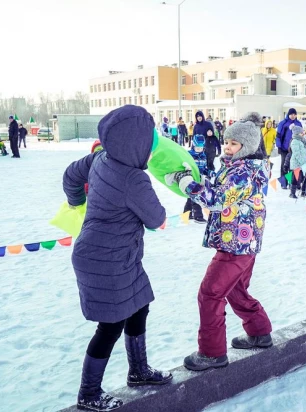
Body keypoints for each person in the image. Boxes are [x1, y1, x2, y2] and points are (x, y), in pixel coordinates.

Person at [63, 106, 172, 411]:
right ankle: (89, 393)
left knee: (139, 304)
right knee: (110, 326)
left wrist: (77, 202)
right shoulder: (133, 179)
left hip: (114, 255)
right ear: (135, 144)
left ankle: (138, 372)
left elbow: (71, 174)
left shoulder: (100, 158)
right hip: (105, 260)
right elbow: (157, 219)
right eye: (149, 142)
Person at [165, 112, 272, 371]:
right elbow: (217, 188)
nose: (227, 146)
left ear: (246, 147)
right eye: (227, 142)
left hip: (235, 244)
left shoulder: (244, 171)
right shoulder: (234, 167)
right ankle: (259, 332)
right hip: (241, 242)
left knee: (210, 294)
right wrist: (195, 177)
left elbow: (217, 200)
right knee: (235, 290)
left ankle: (212, 353)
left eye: (234, 144)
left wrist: (187, 185)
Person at [184, 134, 209, 223]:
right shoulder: (189, 155)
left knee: (190, 198)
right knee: (196, 196)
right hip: (191, 179)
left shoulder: (203, 156)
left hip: (199, 179)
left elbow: (204, 168)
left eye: (201, 148)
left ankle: (186, 215)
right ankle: (198, 216)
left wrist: (209, 172)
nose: (199, 150)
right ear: (193, 146)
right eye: (197, 148)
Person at [275, 108, 302, 188]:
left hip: (295, 149)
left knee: (293, 166)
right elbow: (278, 135)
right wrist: (279, 146)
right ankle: (284, 183)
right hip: (285, 148)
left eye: (294, 114)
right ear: (288, 114)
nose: (293, 116)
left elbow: (301, 135)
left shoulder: (298, 123)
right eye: (291, 114)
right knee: (284, 165)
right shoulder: (283, 123)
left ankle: (291, 182)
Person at [288, 125, 306, 199]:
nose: (303, 133)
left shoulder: (301, 140)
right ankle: (292, 192)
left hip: (303, 162)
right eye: (301, 133)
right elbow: (296, 153)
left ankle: (304, 191)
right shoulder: (294, 141)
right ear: (297, 133)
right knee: (295, 178)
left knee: (304, 177)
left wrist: (305, 141)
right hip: (296, 163)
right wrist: (301, 161)